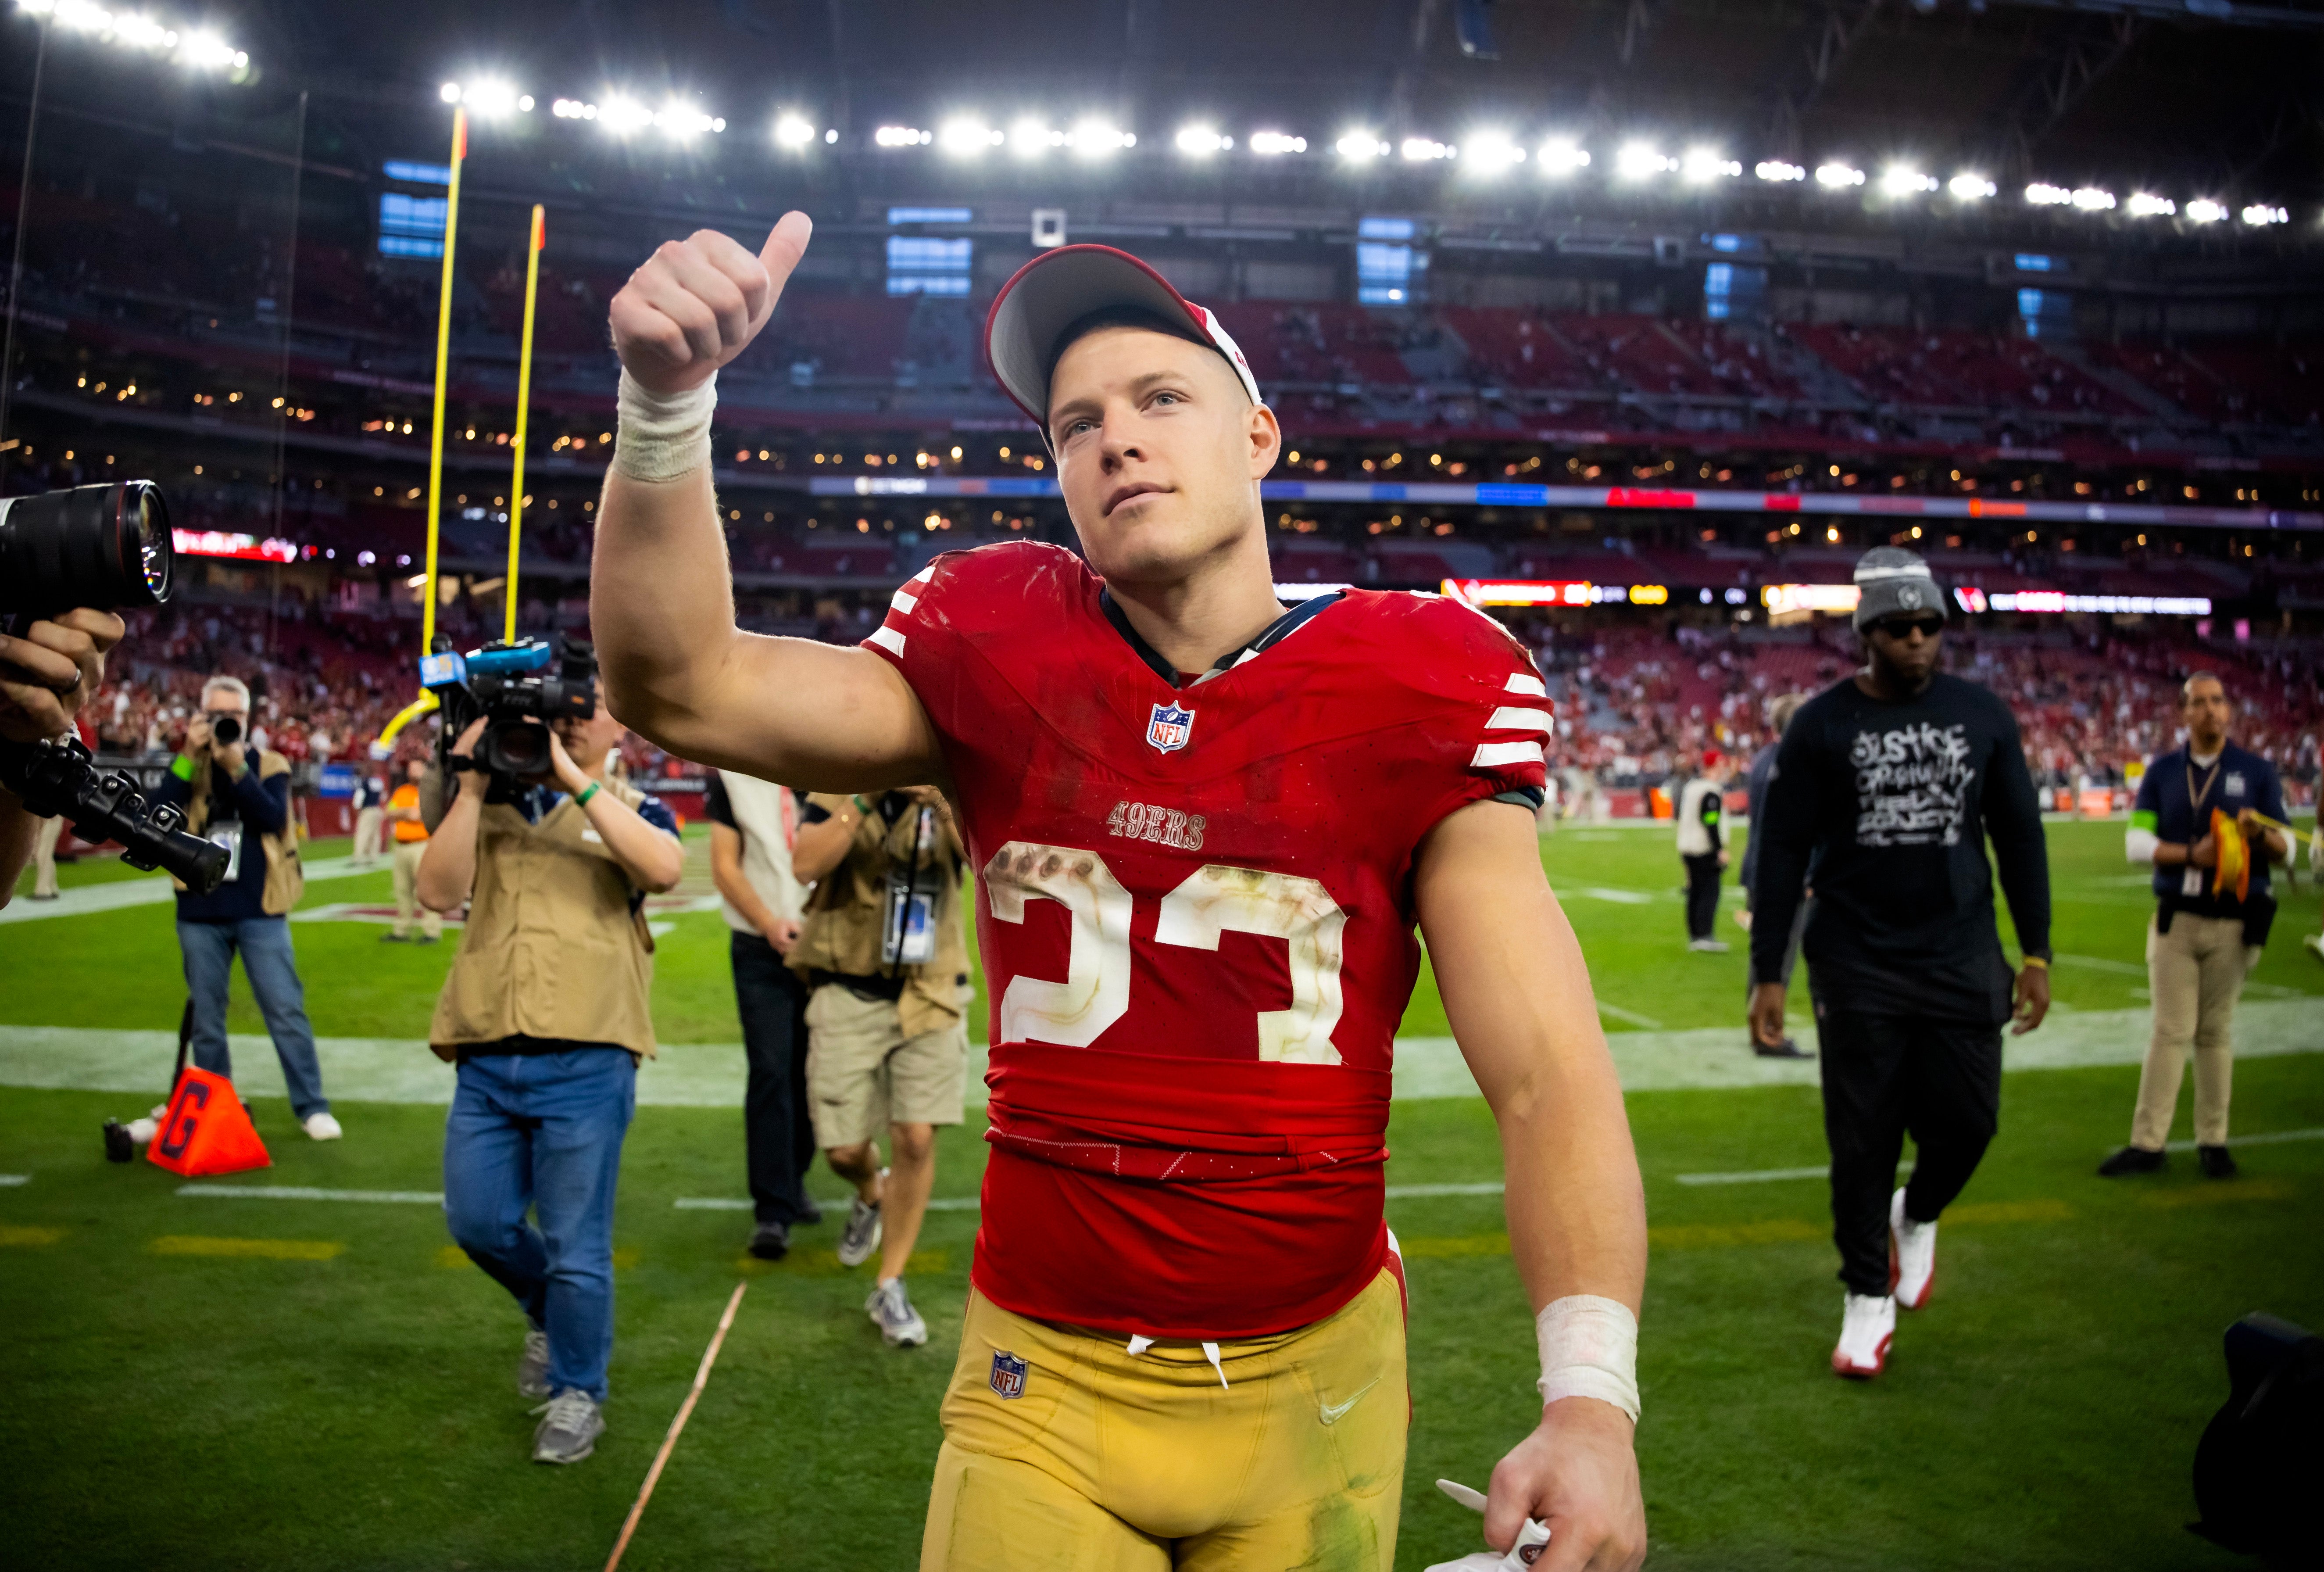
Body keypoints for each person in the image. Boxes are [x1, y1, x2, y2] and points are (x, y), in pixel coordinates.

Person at [592, 220, 1648, 1569]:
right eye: (1072, 422)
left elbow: (1547, 1076)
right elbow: (680, 682)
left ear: (1257, 437)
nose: (1113, 439)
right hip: (1041, 1377)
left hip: (1312, 1382)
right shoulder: (993, 640)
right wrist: (666, 409)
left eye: (1160, 400)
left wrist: (1590, 1402)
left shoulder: (1423, 677)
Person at [1748, 548, 2052, 1382]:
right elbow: (1778, 852)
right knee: (1862, 1135)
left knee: (1968, 1123)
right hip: (1855, 960)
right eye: (1898, 628)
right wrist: (1767, 969)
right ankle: (1863, 1295)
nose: (1917, 641)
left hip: (1961, 955)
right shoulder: (1818, 723)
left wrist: (2035, 950)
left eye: (1929, 626)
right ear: (1866, 634)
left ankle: (1915, 1214)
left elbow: (2019, 837)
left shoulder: (1983, 715)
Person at [417, 688, 683, 1465]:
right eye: (563, 706)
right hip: (488, 1049)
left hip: (588, 1055)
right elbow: (436, 893)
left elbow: (664, 868)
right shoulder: (491, 805)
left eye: (591, 704)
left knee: (576, 1244)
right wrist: (469, 784)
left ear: (623, 722)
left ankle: (578, 1390)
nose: (572, 714)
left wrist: (573, 778)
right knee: (477, 1222)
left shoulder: (636, 807)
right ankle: (547, 1314)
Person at [787, 784, 970, 1348]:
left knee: (915, 1136)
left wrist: (942, 800)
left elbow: (990, 860)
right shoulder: (838, 780)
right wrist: (865, 797)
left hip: (931, 987)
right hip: (847, 986)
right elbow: (806, 864)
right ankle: (870, 1189)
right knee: (841, 1148)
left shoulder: (949, 786)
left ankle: (890, 1282)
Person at [2102, 673, 2288, 1180]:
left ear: (2229, 710)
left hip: (2235, 921)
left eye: (2219, 701)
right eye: (2200, 703)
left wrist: (2263, 836)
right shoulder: (2163, 772)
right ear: (2183, 714)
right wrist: (2194, 855)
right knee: (2170, 1031)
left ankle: (2214, 1141)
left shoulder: (2257, 772)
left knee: (2215, 1033)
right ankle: (2148, 1143)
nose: (2211, 710)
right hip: (2176, 921)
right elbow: (2136, 846)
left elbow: (2290, 849)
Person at [149, 675, 339, 1142]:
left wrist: (237, 768)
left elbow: (272, 818)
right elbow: (156, 817)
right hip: (199, 907)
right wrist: (187, 758)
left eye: (233, 717)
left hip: (260, 907)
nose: (225, 724)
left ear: (248, 720)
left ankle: (311, 1105)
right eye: (216, 716)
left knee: (285, 1009)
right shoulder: (188, 766)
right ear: (200, 716)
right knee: (208, 1022)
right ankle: (218, 1106)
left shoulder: (267, 763)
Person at [704, 767, 819, 1259]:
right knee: (772, 1070)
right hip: (759, 945)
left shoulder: (837, 770)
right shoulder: (732, 777)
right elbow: (725, 866)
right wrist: (769, 923)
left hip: (827, 948)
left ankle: (793, 1178)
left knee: (814, 1072)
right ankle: (772, 1208)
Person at [0, 608, 121, 910]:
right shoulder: (82, 726)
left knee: (44, 846)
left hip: (51, 788)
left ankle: (46, 886)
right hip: (55, 785)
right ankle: (48, 885)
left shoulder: (76, 725)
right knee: (45, 846)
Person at [1738, 693, 1813, 1059]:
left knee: (1765, 953)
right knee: (1778, 959)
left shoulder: (1763, 759)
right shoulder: (1792, 762)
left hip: (1758, 868)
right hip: (1783, 873)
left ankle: (1761, 1029)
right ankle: (1770, 1034)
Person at [382, 757, 441, 943]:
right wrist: (408, 813)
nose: (412, 771)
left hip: (422, 845)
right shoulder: (402, 792)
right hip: (401, 845)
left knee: (426, 889)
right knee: (402, 889)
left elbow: (426, 815)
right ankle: (402, 929)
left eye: (416, 768)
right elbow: (389, 812)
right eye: (410, 768)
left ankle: (432, 931)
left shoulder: (431, 792)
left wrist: (405, 813)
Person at [1677, 749, 1730, 953]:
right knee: (1709, 891)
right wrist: (1719, 849)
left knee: (1695, 892)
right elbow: (1710, 820)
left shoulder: (1692, 787)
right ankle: (1704, 934)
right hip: (1703, 848)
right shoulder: (1710, 790)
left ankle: (1695, 934)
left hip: (1687, 847)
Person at [351, 770, 387, 865]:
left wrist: (357, 809)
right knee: (375, 835)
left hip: (368, 810)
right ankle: (373, 856)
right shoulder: (379, 782)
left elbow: (359, 797)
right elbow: (384, 797)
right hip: (377, 809)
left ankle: (359, 857)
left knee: (363, 833)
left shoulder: (365, 782)